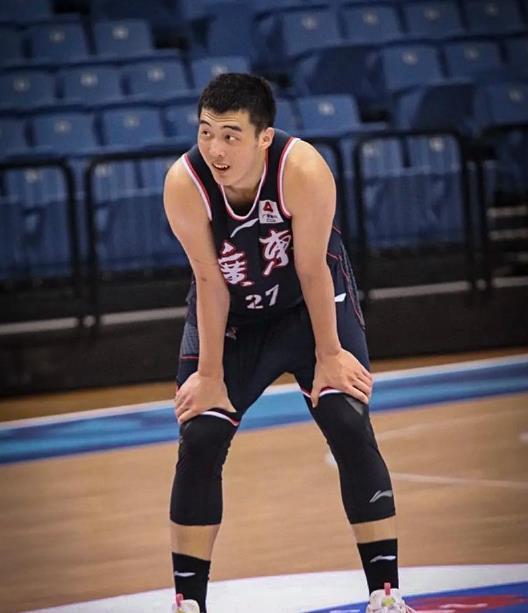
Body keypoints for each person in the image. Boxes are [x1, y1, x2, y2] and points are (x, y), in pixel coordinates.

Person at [163, 73, 413, 613]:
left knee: (347, 417)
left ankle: (386, 594)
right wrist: (210, 375)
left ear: (263, 138)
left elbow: (312, 267)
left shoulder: (302, 169)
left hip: (305, 305)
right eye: (206, 132)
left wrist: (330, 354)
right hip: (235, 316)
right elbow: (208, 281)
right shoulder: (184, 183)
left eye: (230, 136)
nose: (215, 149)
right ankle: (188, 603)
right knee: (201, 435)